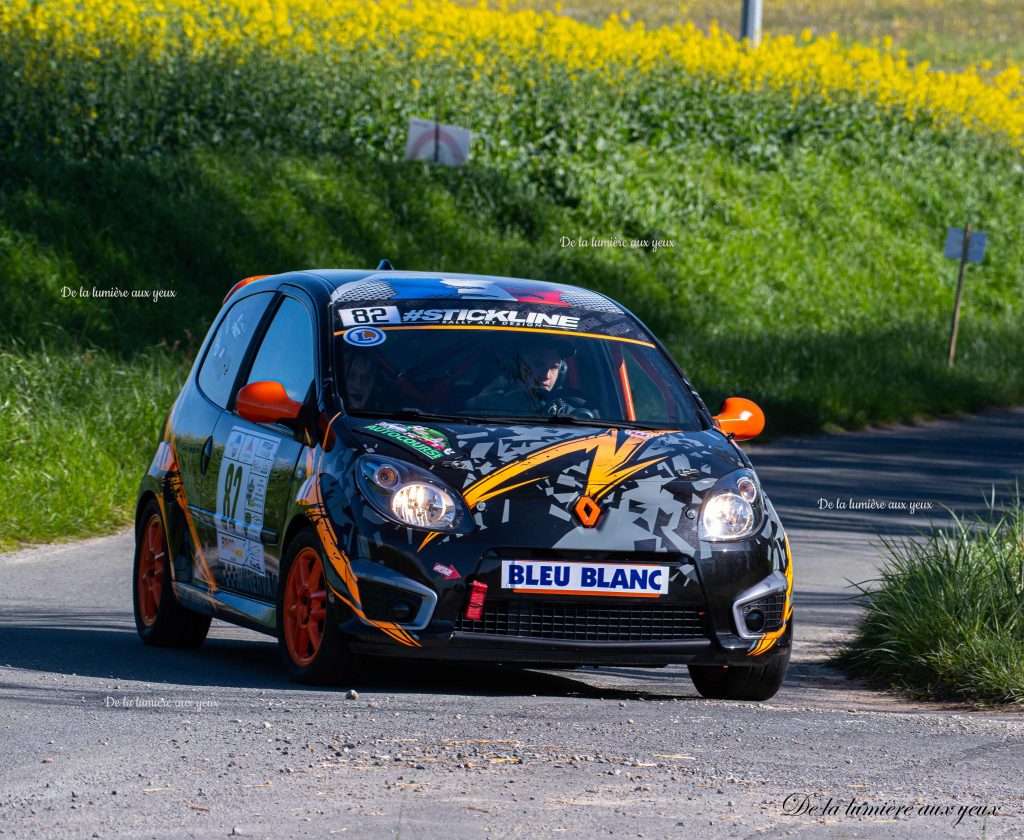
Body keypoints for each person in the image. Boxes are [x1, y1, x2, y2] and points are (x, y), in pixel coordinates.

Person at [467, 337, 587, 416]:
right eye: (538, 364)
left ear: (562, 373)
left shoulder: (569, 412)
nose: (546, 375)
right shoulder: (487, 407)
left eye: (553, 367)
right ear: (514, 367)